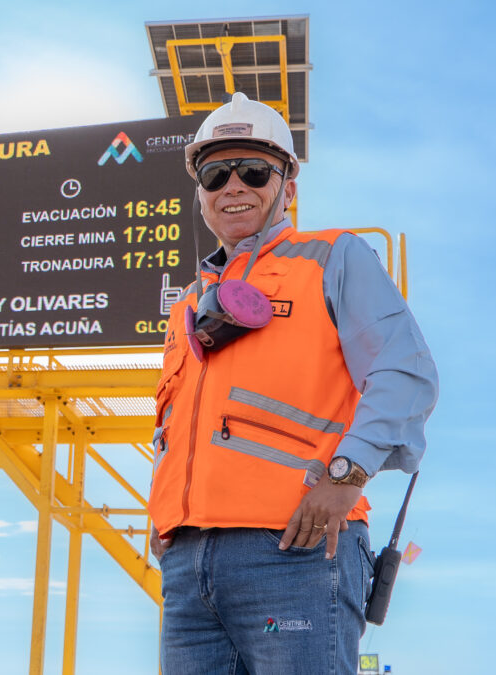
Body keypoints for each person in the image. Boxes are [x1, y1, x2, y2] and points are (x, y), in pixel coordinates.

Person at [148, 92, 438, 674]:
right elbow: (173, 431)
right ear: (201, 193)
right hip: (186, 564)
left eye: (254, 171)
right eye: (215, 174)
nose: (233, 186)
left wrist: (346, 474)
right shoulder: (188, 308)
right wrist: (164, 524)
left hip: (296, 551)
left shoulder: (334, 260)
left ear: (287, 185)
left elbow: (405, 372)